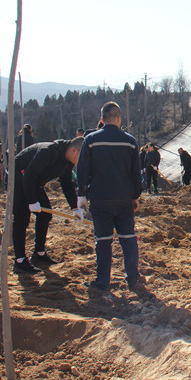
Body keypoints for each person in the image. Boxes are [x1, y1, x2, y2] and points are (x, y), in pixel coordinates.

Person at [76, 101, 143, 291]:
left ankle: (102, 281)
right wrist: (135, 196)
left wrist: (81, 194)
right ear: (119, 118)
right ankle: (133, 279)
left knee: (103, 241)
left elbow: (82, 170)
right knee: (128, 238)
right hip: (124, 199)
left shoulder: (91, 140)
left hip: (100, 198)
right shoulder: (130, 142)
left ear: (102, 119)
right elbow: (136, 173)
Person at [12, 136, 83, 274]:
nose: (80, 162)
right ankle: (20, 260)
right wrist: (32, 201)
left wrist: (75, 207)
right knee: (22, 218)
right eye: (81, 157)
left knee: (45, 215)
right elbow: (29, 176)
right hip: (19, 178)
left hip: (34, 182)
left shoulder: (67, 162)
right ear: (74, 151)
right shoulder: (48, 152)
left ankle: (39, 253)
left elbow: (67, 184)